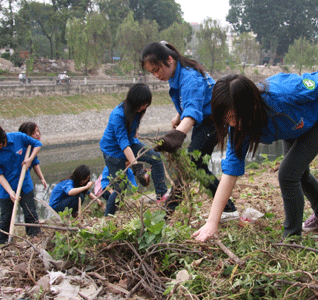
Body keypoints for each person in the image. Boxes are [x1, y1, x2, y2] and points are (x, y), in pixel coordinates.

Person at [192, 71, 318, 242]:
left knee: (288, 174)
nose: (233, 125)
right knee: (299, 174)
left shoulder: (286, 93)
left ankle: (292, 238)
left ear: (252, 105)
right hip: (293, 129)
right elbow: (230, 172)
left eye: (236, 118)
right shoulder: (238, 128)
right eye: (227, 119)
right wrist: (211, 223)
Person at [141, 41, 239, 221]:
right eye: (152, 72)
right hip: (205, 120)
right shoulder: (176, 73)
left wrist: (177, 135)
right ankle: (227, 207)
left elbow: (193, 111)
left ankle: (166, 214)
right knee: (196, 165)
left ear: (169, 60)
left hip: (214, 121)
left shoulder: (189, 77)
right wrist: (179, 115)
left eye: (157, 69)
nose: (156, 75)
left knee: (190, 164)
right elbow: (191, 102)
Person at [99, 83, 168, 216]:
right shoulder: (118, 115)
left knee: (155, 157)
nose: (143, 108)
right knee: (120, 188)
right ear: (133, 101)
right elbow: (123, 144)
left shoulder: (137, 111)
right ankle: (108, 217)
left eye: (146, 105)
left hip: (130, 144)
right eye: (141, 104)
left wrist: (136, 136)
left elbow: (132, 135)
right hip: (112, 151)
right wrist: (137, 169)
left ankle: (161, 195)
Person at [0, 125, 42, 244]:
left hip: (24, 182)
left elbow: (37, 144)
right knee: (6, 217)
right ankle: (4, 243)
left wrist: (30, 159)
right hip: (5, 187)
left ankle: (35, 237)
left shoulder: (18, 137)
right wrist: (10, 192)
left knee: (30, 211)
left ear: (3, 137)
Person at [18, 122, 47, 190]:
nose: (38, 134)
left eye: (37, 131)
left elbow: (34, 163)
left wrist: (42, 178)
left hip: (25, 181)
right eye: (33, 133)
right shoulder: (22, 149)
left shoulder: (33, 148)